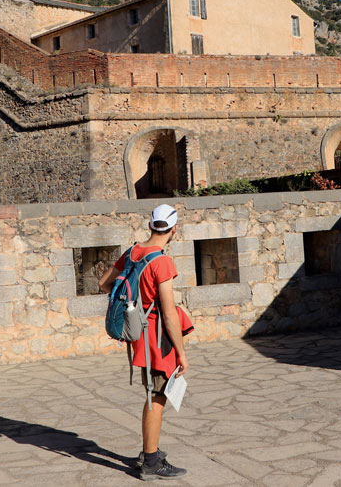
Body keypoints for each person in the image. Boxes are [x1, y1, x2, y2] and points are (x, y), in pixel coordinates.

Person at [99, 204, 191, 481]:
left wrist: (134, 305)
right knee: (156, 396)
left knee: (154, 393)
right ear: (174, 228)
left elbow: (105, 283)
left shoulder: (133, 252)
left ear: (151, 225)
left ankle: (150, 452)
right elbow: (170, 310)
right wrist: (181, 353)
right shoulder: (162, 261)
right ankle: (150, 461)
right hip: (156, 338)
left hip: (139, 331)